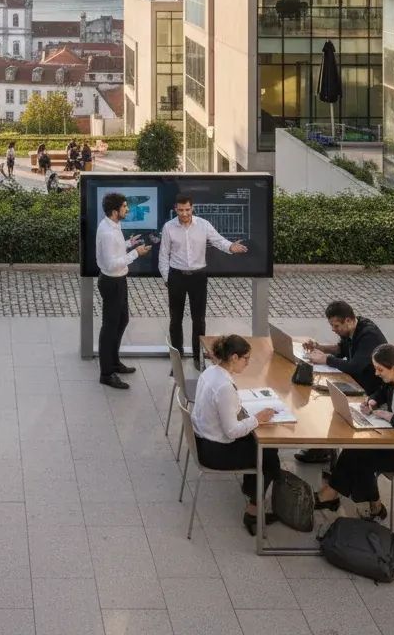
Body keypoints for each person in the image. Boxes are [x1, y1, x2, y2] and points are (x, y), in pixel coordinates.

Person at [315, 344, 394, 520]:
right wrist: (372, 401)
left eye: (379, 369)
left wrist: (389, 416)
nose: (376, 373)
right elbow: (382, 392)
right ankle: (365, 503)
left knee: (361, 457)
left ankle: (352, 499)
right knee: (355, 450)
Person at [192, 335, 282, 535]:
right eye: (246, 359)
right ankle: (253, 510)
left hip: (203, 440)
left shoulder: (211, 371)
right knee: (268, 453)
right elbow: (232, 431)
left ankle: (252, 490)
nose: (248, 363)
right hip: (216, 452)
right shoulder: (224, 387)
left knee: (262, 446)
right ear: (234, 357)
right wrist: (258, 418)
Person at [158, 194, 247, 366]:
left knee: (199, 320)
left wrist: (231, 247)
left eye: (187, 209)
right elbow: (163, 256)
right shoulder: (169, 227)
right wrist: (167, 278)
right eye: (181, 210)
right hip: (176, 276)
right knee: (175, 320)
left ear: (192, 208)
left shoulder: (203, 225)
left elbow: (218, 240)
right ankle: (177, 358)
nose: (184, 213)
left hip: (198, 277)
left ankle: (198, 359)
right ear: (175, 209)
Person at [295, 301, 387, 465]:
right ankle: (324, 446)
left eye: (336, 326)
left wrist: (326, 359)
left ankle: (327, 447)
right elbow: (340, 350)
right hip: (355, 382)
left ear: (349, 321)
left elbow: (355, 366)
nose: (334, 330)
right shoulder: (351, 331)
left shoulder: (369, 336)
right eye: (332, 326)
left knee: (328, 399)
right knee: (323, 393)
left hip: (368, 389)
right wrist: (320, 347)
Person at [94, 192, 151, 389]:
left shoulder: (112, 225)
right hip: (112, 282)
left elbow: (116, 251)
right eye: (125, 207)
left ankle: (114, 361)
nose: (127, 209)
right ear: (114, 211)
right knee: (109, 327)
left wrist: (129, 244)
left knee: (121, 320)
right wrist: (136, 253)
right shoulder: (108, 232)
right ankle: (106, 373)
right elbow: (111, 263)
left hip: (118, 280)